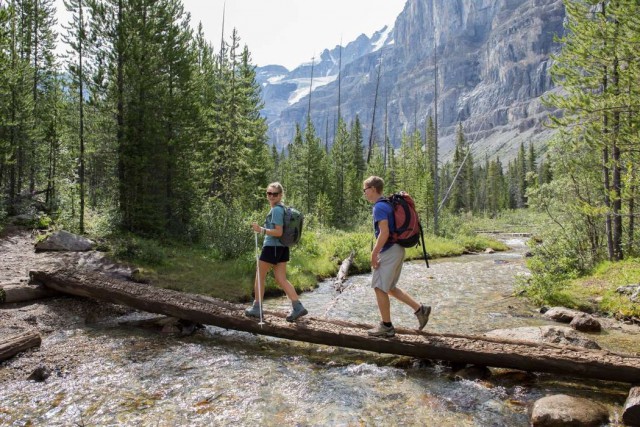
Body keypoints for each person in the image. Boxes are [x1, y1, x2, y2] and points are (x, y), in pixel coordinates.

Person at [362, 176, 431, 337]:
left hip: (389, 250)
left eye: (365, 190)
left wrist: (374, 253)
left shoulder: (379, 207)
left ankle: (386, 327)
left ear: (373, 189)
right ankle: (420, 310)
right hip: (398, 249)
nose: (364, 193)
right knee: (390, 288)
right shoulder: (387, 203)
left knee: (379, 287)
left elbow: (384, 232)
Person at [246, 182, 308, 322]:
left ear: (280, 195)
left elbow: (278, 232)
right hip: (282, 248)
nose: (271, 196)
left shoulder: (276, 210)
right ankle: (297, 307)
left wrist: (261, 230)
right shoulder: (282, 208)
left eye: (275, 194)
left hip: (272, 247)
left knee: (260, 275)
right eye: (269, 193)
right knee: (281, 278)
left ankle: (257, 308)